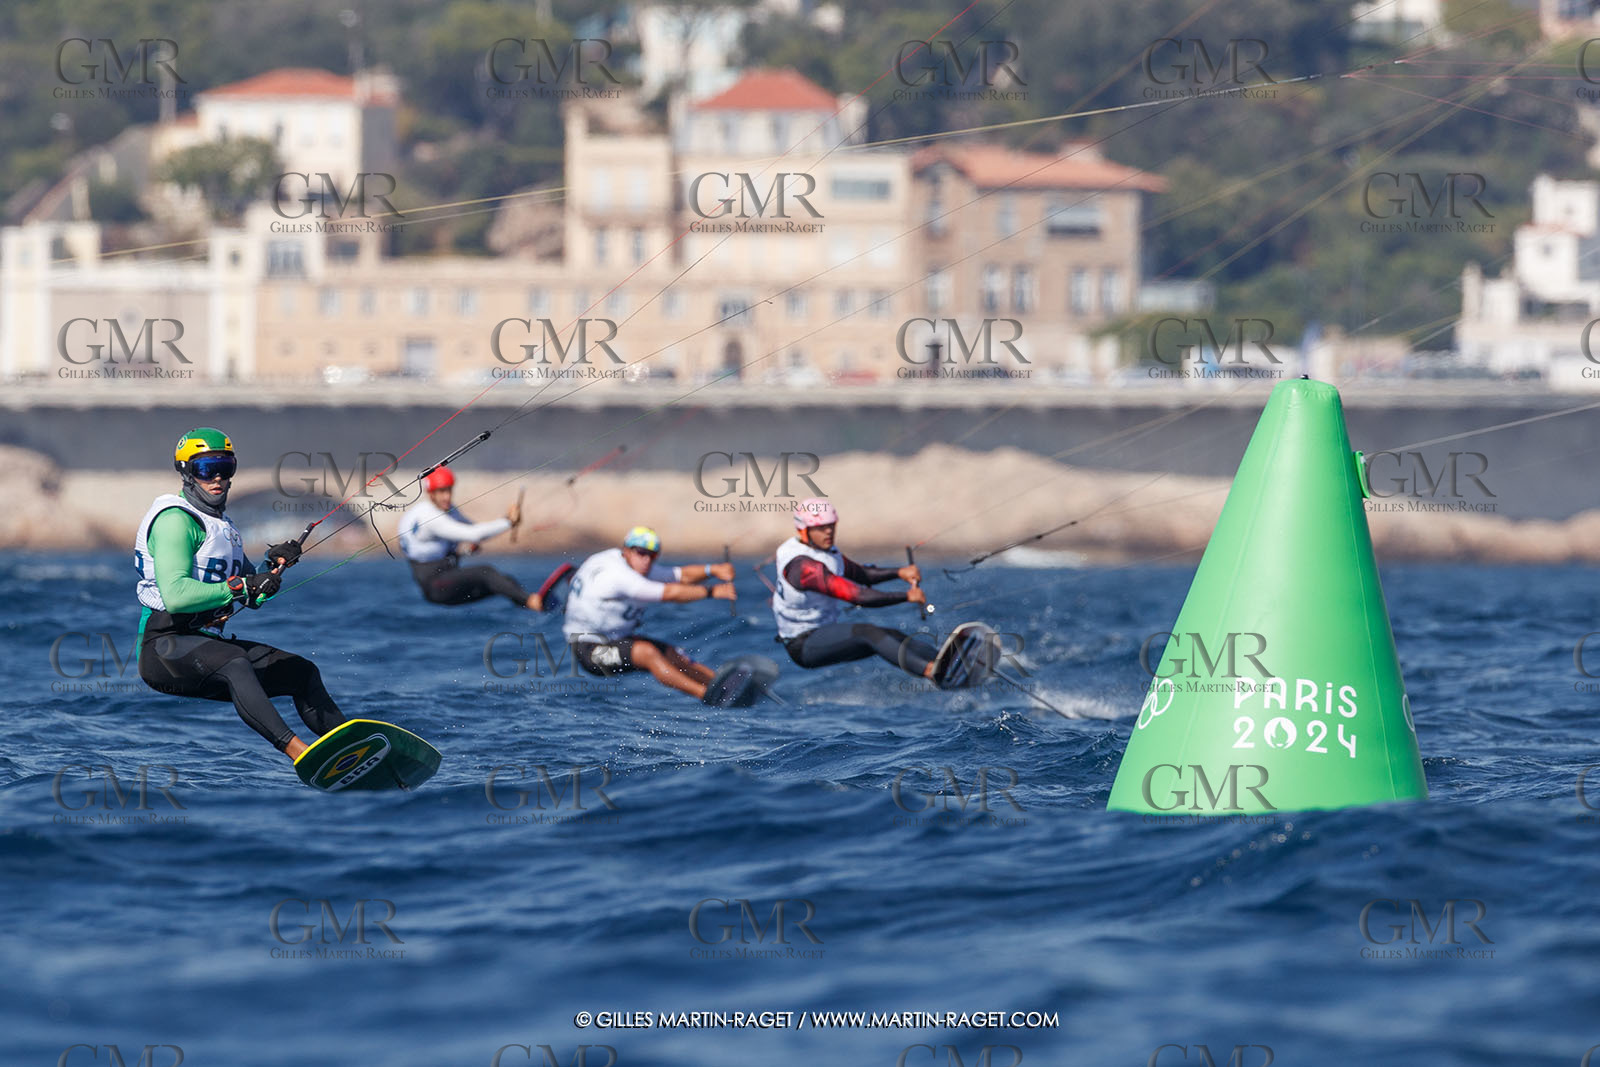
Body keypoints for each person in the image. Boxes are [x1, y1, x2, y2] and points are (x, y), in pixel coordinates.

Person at [134, 427, 345, 760]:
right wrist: (242, 586)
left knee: (302, 672)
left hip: (207, 645)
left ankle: (351, 749)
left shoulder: (225, 529)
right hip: (164, 647)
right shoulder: (175, 520)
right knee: (236, 663)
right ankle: (301, 753)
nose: (217, 477)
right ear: (187, 473)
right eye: (206, 469)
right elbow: (175, 595)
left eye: (225, 467)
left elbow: (252, 596)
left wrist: (272, 568)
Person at [771, 498, 938, 681]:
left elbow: (861, 574)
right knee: (868, 632)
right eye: (821, 528)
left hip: (823, 634)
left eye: (831, 526)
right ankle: (930, 671)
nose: (829, 532)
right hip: (803, 646)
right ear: (804, 530)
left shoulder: (824, 552)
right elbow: (858, 596)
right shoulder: (805, 568)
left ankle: (944, 661)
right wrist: (906, 596)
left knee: (892, 636)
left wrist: (899, 572)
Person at [563, 526, 736, 700]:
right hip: (589, 649)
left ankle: (722, 684)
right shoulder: (619, 576)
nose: (647, 560)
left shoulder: (626, 561)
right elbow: (669, 593)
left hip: (615, 639)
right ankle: (707, 695)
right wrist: (712, 592)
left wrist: (712, 570)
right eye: (641, 553)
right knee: (647, 653)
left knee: (673, 655)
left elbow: (679, 576)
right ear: (627, 550)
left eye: (653, 555)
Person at [398, 467, 546, 611]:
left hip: (445, 577)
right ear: (431, 494)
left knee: (505, 582)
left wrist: (466, 549)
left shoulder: (445, 509)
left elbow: (472, 529)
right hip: (436, 587)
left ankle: (537, 607)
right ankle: (532, 602)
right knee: (486, 573)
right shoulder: (429, 517)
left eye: (449, 490)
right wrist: (508, 522)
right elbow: (475, 534)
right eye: (441, 492)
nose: (447, 497)